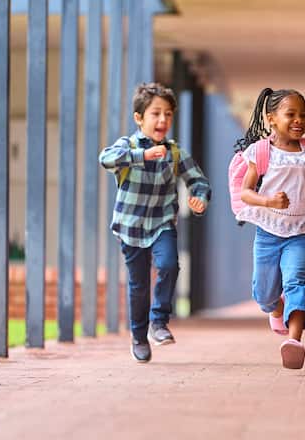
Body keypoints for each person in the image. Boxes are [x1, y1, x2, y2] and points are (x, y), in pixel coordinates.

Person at [99, 82, 211, 363]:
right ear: (139, 118)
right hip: (131, 226)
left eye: (168, 114)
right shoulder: (128, 145)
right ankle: (138, 337)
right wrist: (142, 156)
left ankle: (158, 323)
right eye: (155, 113)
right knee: (138, 285)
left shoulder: (175, 153)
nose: (163, 120)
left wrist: (199, 198)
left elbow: (199, 181)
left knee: (169, 264)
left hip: (162, 223)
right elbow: (106, 159)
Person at [236, 88, 305, 369]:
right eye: (290, 114)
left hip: (300, 231)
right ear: (271, 119)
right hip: (268, 232)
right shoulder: (261, 152)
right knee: (264, 293)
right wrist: (268, 200)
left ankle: (294, 341)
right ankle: (276, 308)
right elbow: (246, 192)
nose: (299, 120)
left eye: (303, 115)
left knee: (295, 282)